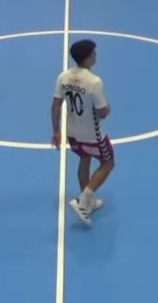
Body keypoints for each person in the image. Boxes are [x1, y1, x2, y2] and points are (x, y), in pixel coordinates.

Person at [51, 40, 113, 225]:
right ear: (88, 57)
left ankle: (89, 203)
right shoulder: (94, 82)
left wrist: (56, 131)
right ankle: (83, 200)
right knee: (108, 163)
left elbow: (55, 105)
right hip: (93, 135)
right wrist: (107, 109)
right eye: (94, 52)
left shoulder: (63, 77)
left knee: (84, 159)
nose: (96, 55)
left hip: (72, 133)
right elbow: (102, 113)